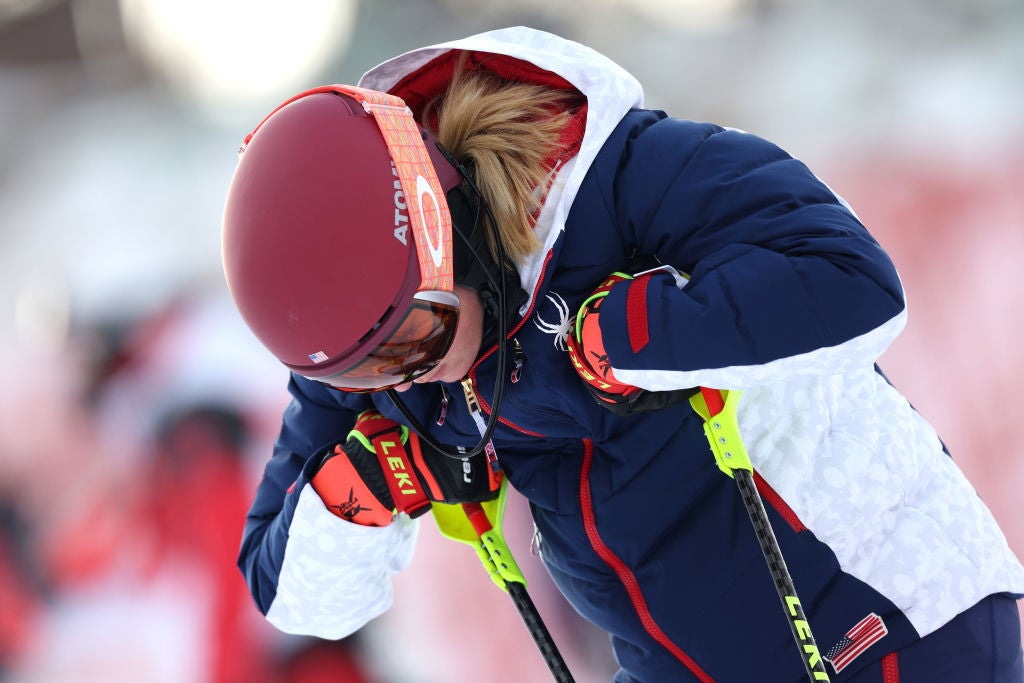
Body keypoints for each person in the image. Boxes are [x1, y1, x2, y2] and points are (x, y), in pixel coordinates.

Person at [221, 26, 1024, 682]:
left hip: (891, 620)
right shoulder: (368, 329)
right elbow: (287, 593)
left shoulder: (623, 177)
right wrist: (354, 498)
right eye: (361, 374)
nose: (411, 376)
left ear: (451, 227)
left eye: (419, 334)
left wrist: (642, 332)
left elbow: (856, 285)